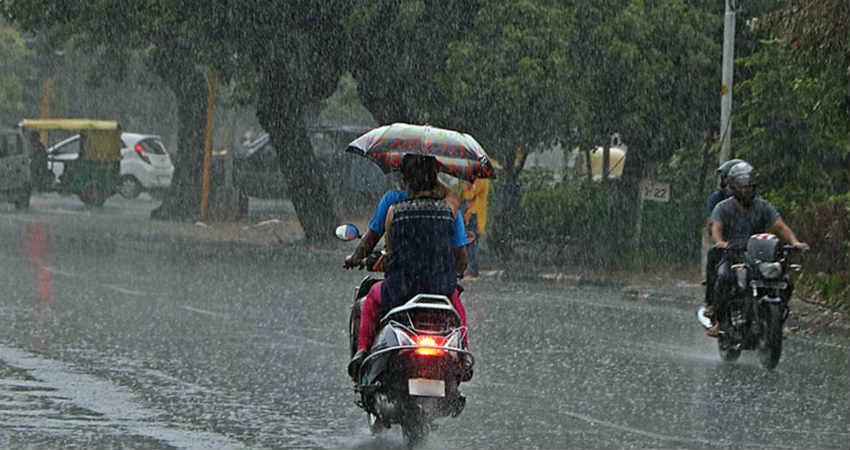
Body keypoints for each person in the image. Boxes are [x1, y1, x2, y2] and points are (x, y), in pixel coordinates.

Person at [344, 154, 469, 380]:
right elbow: (462, 259)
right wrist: (434, 175)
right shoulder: (448, 211)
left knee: (371, 299)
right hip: (439, 288)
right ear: (434, 180)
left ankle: (362, 352)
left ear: (406, 181)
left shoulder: (394, 210)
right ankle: (464, 355)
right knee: (457, 307)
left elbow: (390, 254)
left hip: (401, 290)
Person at [706, 162, 809, 337]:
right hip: (733, 254)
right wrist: (720, 242)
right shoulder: (723, 207)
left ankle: (775, 322)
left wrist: (795, 242)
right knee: (723, 277)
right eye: (742, 186)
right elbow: (716, 228)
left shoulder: (763, 206)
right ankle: (719, 321)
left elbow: (780, 227)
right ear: (733, 187)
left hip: (759, 255)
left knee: (785, 281)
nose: (747, 190)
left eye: (750, 186)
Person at [703, 159, 743, 318]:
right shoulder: (717, 199)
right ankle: (711, 302)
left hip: (748, 245)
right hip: (727, 244)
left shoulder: (752, 200)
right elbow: (711, 225)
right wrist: (720, 240)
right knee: (714, 257)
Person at [461, 178, 489, 280]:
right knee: (470, 243)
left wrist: (465, 183)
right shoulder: (476, 178)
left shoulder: (480, 179)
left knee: (472, 244)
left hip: (474, 214)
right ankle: (470, 270)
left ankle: (473, 272)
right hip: (471, 214)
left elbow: (469, 195)